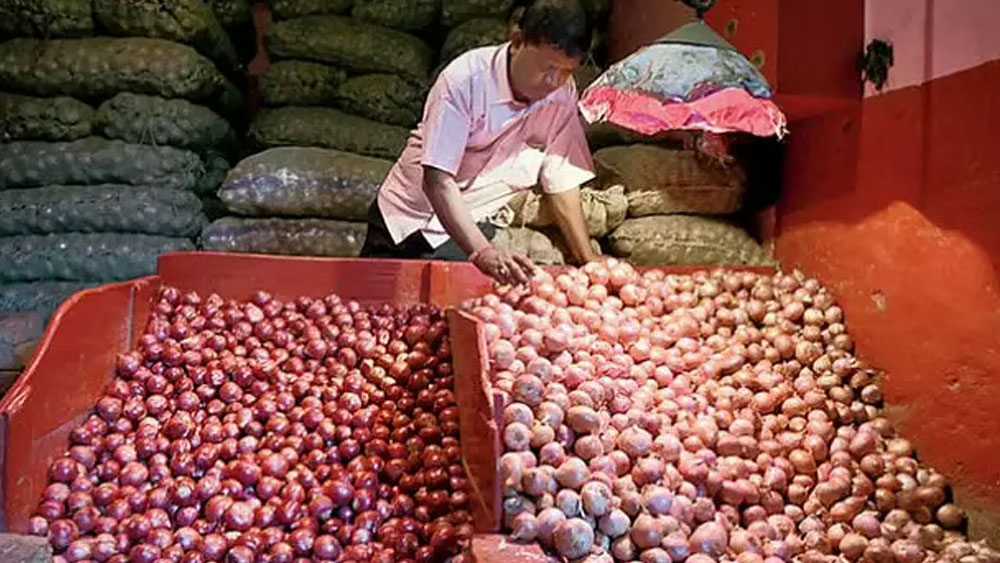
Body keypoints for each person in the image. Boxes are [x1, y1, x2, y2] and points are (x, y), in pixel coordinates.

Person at [360, 0, 600, 286]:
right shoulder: (465, 80)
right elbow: (438, 180)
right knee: (376, 308)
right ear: (517, 41)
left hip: (470, 225)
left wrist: (589, 260)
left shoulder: (562, 94)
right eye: (548, 67)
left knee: (447, 319)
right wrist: (483, 252)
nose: (554, 81)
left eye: (567, 71)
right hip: (409, 221)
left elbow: (560, 177)